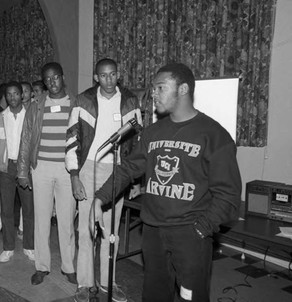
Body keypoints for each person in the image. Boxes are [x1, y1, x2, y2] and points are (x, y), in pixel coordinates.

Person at [93, 63, 242, 302]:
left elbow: (229, 195)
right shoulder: (153, 132)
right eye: (153, 89)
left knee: (190, 296)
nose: (154, 94)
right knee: (154, 293)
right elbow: (129, 168)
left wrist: (202, 228)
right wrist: (100, 197)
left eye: (160, 88)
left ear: (183, 89)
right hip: (153, 231)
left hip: (190, 234)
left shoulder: (214, 135)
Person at [66, 58, 142, 302]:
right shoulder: (83, 100)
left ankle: (109, 283)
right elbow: (71, 139)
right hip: (89, 167)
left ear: (118, 75)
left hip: (118, 170)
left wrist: (136, 179)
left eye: (113, 74)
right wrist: (74, 176)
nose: (109, 79)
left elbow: (138, 142)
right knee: (87, 229)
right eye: (103, 75)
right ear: (96, 77)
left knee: (110, 231)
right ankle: (84, 284)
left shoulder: (130, 100)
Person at [17, 62, 77, 285]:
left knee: (66, 220)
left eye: (56, 78)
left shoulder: (76, 103)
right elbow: (26, 138)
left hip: (67, 170)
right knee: (41, 219)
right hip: (40, 168)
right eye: (47, 79)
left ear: (62, 77)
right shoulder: (37, 105)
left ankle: (68, 266)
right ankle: (42, 266)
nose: (52, 82)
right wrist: (22, 171)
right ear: (44, 82)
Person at [0, 81, 34, 262]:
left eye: (16, 93)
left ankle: (29, 246)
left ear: (22, 95)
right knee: (6, 209)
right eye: (9, 94)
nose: (13, 97)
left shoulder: (31, 116)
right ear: (5, 97)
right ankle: (8, 247)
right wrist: (3, 161)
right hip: (6, 168)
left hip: (27, 168)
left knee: (29, 209)